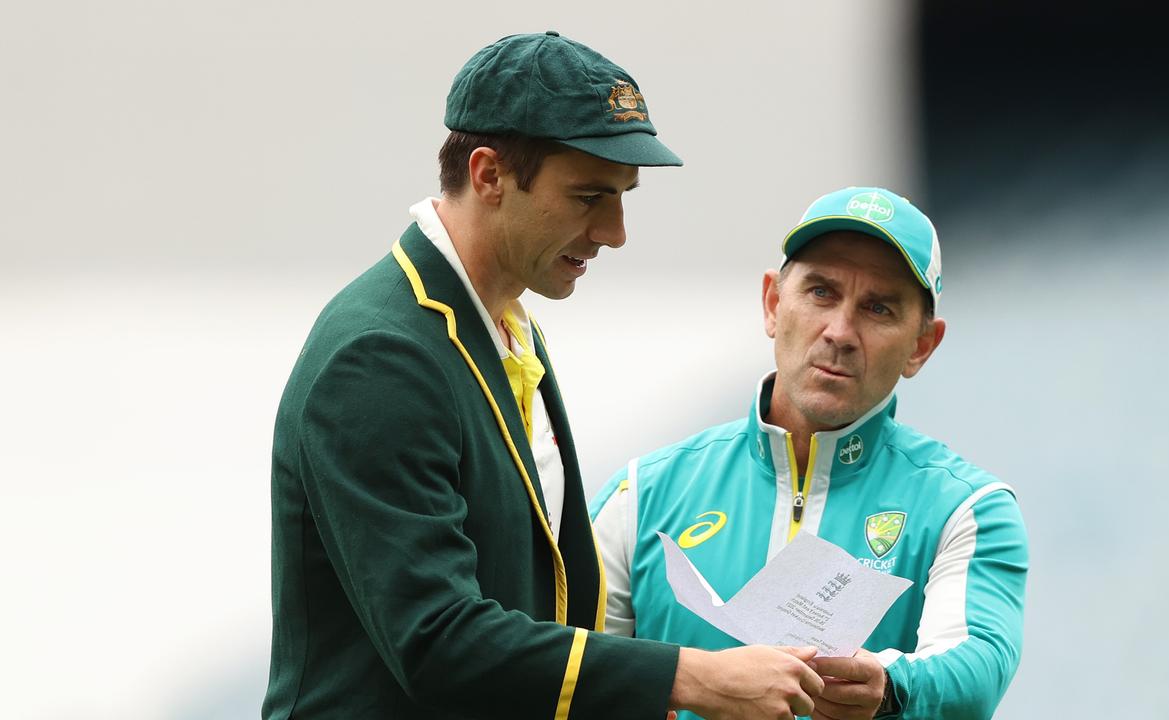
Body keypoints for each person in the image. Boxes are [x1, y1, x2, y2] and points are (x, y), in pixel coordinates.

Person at [263, 32, 825, 720]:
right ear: (489, 175)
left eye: (623, 196)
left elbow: (545, 608)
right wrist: (687, 677)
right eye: (590, 196)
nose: (616, 231)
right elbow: (439, 643)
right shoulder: (379, 357)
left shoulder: (507, 322)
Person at [590, 186, 1030, 720]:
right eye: (821, 292)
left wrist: (888, 686)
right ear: (773, 304)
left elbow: (977, 663)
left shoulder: (967, 508)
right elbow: (573, 673)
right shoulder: (641, 495)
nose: (840, 332)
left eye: (878, 308)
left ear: (921, 345)